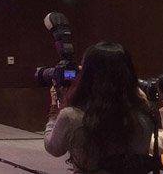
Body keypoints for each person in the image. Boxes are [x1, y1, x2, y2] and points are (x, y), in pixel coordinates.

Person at [44, 42, 155, 173]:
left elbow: (53, 148)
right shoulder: (144, 111)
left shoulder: (72, 116)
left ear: (86, 75)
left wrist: (54, 109)